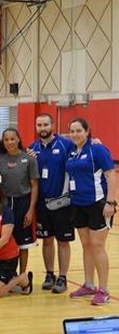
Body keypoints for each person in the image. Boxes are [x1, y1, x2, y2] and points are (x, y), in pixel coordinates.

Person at [65, 118, 116, 305]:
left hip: (98, 204)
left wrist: (110, 202)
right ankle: (88, 285)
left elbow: (111, 175)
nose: (75, 134)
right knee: (86, 244)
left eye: (79, 131)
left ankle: (104, 290)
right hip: (78, 204)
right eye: (72, 131)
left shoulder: (97, 149)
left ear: (87, 132)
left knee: (97, 245)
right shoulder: (71, 150)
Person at [28, 113, 76, 294]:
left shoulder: (66, 145)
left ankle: (63, 276)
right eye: (39, 125)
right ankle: (50, 274)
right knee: (47, 240)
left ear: (53, 125)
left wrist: (94, 141)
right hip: (41, 204)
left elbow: (83, 146)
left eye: (45, 124)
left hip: (62, 203)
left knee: (63, 241)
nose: (42, 128)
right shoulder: (32, 149)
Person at [0, 128, 38, 277]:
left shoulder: (29, 158)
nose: (9, 142)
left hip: (23, 203)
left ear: (18, 139)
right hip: (6, 203)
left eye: (12, 139)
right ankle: (8, 274)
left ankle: (22, 276)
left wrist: (30, 210)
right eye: (6, 140)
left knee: (23, 244)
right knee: (6, 240)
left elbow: (34, 185)